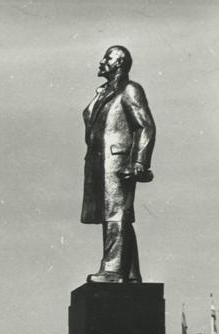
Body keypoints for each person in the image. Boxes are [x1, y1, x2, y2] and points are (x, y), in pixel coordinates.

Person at [82, 45, 156, 284]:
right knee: (114, 214)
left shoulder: (130, 90)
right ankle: (131, 273)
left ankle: (113, 270)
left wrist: (139, 163)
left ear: (119, 63)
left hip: (118, 162)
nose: (102, 62)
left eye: (107, 58)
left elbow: (145, 126)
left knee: (115, 214)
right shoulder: (102, 92)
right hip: (98, 162)